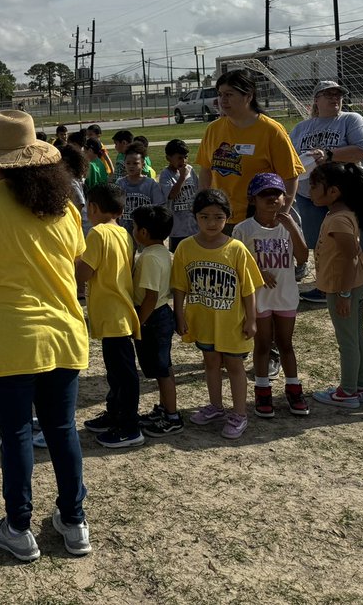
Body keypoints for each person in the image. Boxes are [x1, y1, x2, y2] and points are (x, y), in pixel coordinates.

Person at [0, 109, 91, 562]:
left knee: (17, 435)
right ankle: (74, 520)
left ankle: (19, 526)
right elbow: (76, 258)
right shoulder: (63, 206)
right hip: (64, 333)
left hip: (11, 339)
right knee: (63, 431)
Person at [172, 189, 263, 440]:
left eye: (218, 217)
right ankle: (216, 406)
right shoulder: (185, 248)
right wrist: (179, 315)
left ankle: (240, 413)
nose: (211, 223)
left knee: (234, 365)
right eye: (205, 217)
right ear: (195, 217)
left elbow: (248, 288)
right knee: (210, 362)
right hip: (203, 319)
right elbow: (179, 285)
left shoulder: (236, 249)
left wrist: (252, 319)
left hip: (232, 322)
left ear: (227, 218)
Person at [289, 81, 363, 304]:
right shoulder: (302, 128)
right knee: (321, 242)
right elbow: (290, 159)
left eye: (338, 95)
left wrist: (329, 154)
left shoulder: (351, 119)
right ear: (316, 100)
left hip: (352, 192)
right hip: (312, 195)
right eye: (328, 95)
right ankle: (325, 286)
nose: (334, 98)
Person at [232, 174, 310, 418]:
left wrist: (291, 228)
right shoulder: (244, 229)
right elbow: (236, 261)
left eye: (276, 194)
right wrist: (258, 271)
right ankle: (262, 389)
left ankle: (294, 388)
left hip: (285, 295)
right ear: (253, 199)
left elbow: (303, 257)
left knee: (286, 343)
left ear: (284, 197)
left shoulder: (289, 224)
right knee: (263, 343)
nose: (271, 199)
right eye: (264, 195)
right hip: (259, 297)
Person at [76, 183, 142, 449]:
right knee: (116, 373)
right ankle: (114, 413)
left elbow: (83, 273)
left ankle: (129, 426)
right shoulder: (123, 232)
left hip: (114, 314)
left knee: (124, 374)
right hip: (117, 312)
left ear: (92, 208)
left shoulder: (97, 234)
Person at [197, 69, 303, 228]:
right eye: (220, 94)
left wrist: (280, 215)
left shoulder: (271, 130)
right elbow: (205, 170)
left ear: (248, 96)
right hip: (220, 218)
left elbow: (290, 176)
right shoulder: (213, 129)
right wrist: (204, 206)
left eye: (229, 94)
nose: (222, 100)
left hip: (258, 220)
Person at [309, 163, 363, 409]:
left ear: (333, 191)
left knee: (347, 340)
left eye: (315, 186)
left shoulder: (338, 220)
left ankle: (348, 392)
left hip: (344, 288)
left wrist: (344, 294)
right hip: (354, 284)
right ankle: (361, 386)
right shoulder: (342, 214)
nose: (311, 190)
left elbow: (351, 257)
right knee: (355, 336)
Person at [130, 206, 182, 437]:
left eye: (133, 226)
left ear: (142, 231)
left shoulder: (149, 257)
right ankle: (164, 409)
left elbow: (150, 297)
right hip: (160, 314)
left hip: (153, 317)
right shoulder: (163, 252)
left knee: (162, 370)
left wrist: (137, 323)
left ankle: (172, 416)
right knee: (164, 367)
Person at [158, 139, 198, 251]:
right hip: (177, 229)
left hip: (194, 227)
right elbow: (171, 195)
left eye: (186, 157)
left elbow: (198, 191)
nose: (184, 161)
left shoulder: (190, 170)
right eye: (180, 158)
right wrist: (182, 177)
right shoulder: (166, 175)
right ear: (168, 158)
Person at [114, 144, 164, 231]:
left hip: (145, 233)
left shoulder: (151, 184)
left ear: (143, 164)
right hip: (125, 231)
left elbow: (158, 208)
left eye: (135, 163)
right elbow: (114, 209)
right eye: (128, 163)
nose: (131, 166)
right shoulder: (120, 183)